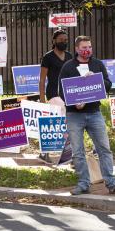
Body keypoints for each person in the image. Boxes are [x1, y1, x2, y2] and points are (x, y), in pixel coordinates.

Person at [59, 35, 115, 195]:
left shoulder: (97, 65)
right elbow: (61, 91)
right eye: (84, 47)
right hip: (74, 115)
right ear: (77, 49)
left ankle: (111, 182)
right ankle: (83, 184)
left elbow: (108, 85)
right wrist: (74, 103)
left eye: (89, 47)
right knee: (78, 152)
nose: (87, 50)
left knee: (104, 148)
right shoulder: (68, 67)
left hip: (94, 113)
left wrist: (97, 80)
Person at [38, 29, 72, 163]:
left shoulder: (70, 56)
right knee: (63, 120)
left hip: (68, 94)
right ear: (54, 41)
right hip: (53, 93)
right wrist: (42, 98)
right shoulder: (48, 57)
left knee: (55, 123)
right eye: (61, 40)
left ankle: (45, 152)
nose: (64, 42)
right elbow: (42, 79)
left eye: (66, 40)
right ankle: (68, 153)